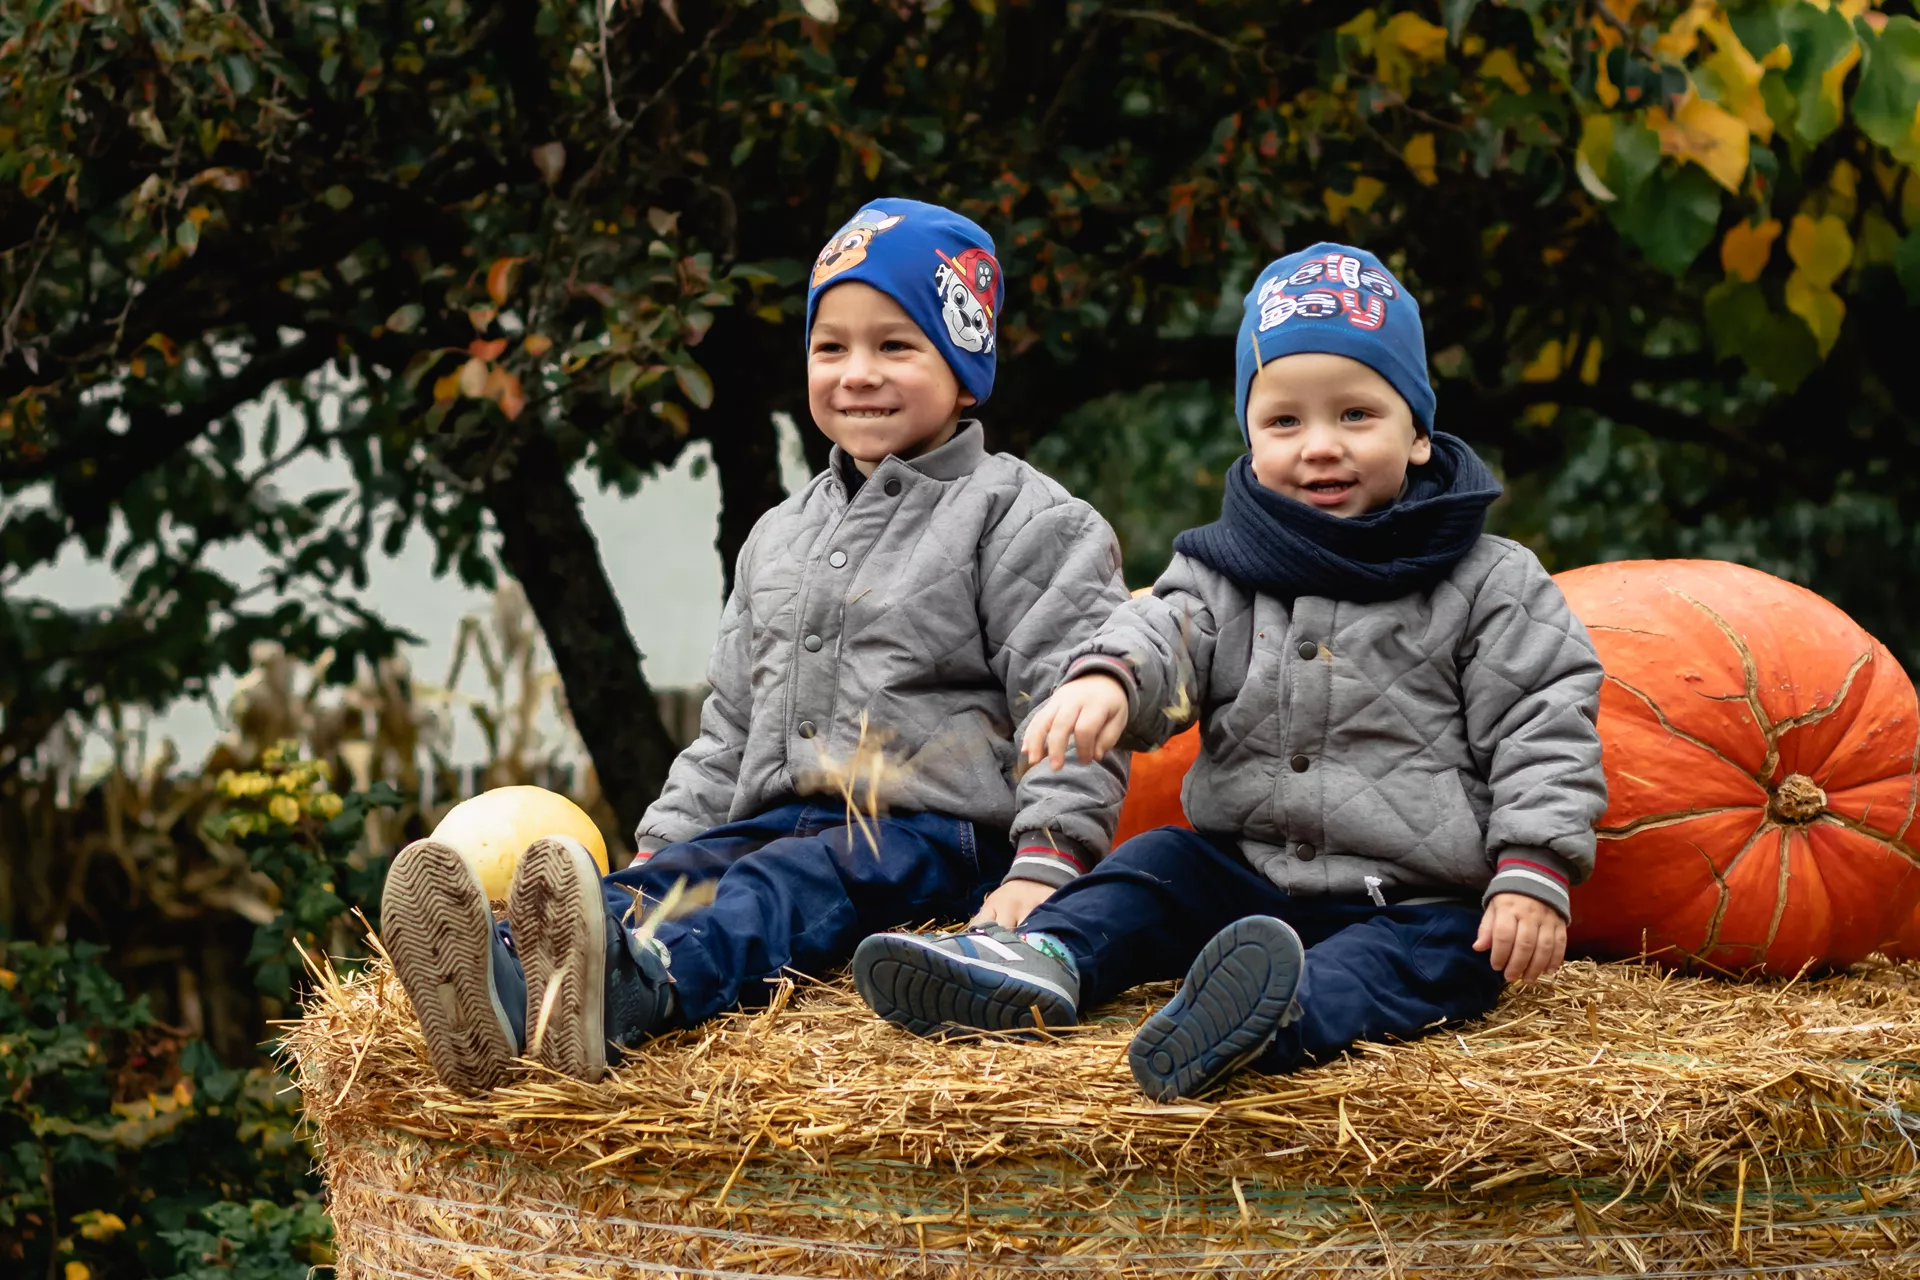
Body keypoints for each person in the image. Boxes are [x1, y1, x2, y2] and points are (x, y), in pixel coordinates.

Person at [378, 199, 1131, 1093]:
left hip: (932, 834)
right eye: (831, 348)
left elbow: (1072, 706)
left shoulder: (1024, 520)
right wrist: (663, 846)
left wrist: (1048, 860)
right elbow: (729, 728)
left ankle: (637, 989)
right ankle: (503, 971)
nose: (858, 374)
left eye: (896, 347)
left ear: (964, 370)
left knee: (781, 891)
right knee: (698, 873)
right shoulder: (778, 535)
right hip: (775, 817)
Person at [853, 243, 1608, 1101]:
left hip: (1411, 896)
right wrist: (1109, 680)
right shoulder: (1228, 569)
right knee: (1153, 868)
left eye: (1356, 415)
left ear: (1421, 434)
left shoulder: (1490, 580)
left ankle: (1270, 1018)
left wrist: (1534, 869)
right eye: (1285, 423)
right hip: (1242, 869)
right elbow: (1164, 630)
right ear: (1251, 441)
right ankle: (1043, 961)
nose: (1319, 446)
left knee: (1441, 965)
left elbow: (1543, 725)